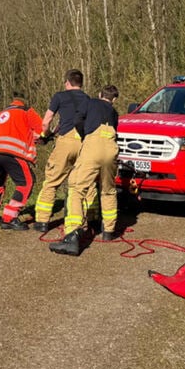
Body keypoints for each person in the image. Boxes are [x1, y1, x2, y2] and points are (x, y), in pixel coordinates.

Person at [51, 85, 120, 256]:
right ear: (114, 99)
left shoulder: (89, 103)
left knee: (76, 187)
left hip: (93, 145)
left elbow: (77, 121)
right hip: (111, 148)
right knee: (108, 190)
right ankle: (108, 231)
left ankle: (73, 234)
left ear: (99, 94)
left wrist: (84, 136)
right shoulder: (114, 112)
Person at [32, 69, 90, 233]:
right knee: (77, 184)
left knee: (51, 181)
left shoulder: (60, 96)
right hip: (82, 143)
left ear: (67, 82)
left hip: (65, 141)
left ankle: (42, 221)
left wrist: (45, 135)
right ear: (81, 83)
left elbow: (46, 120)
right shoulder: (87, 99)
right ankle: (78, 221)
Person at [0, 93, 44, 230]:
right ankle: (10, 217)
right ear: (24, 103)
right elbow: (42, 129)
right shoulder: (26, 111)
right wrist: (46, 137)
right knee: (26, 182)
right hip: (12, 152)